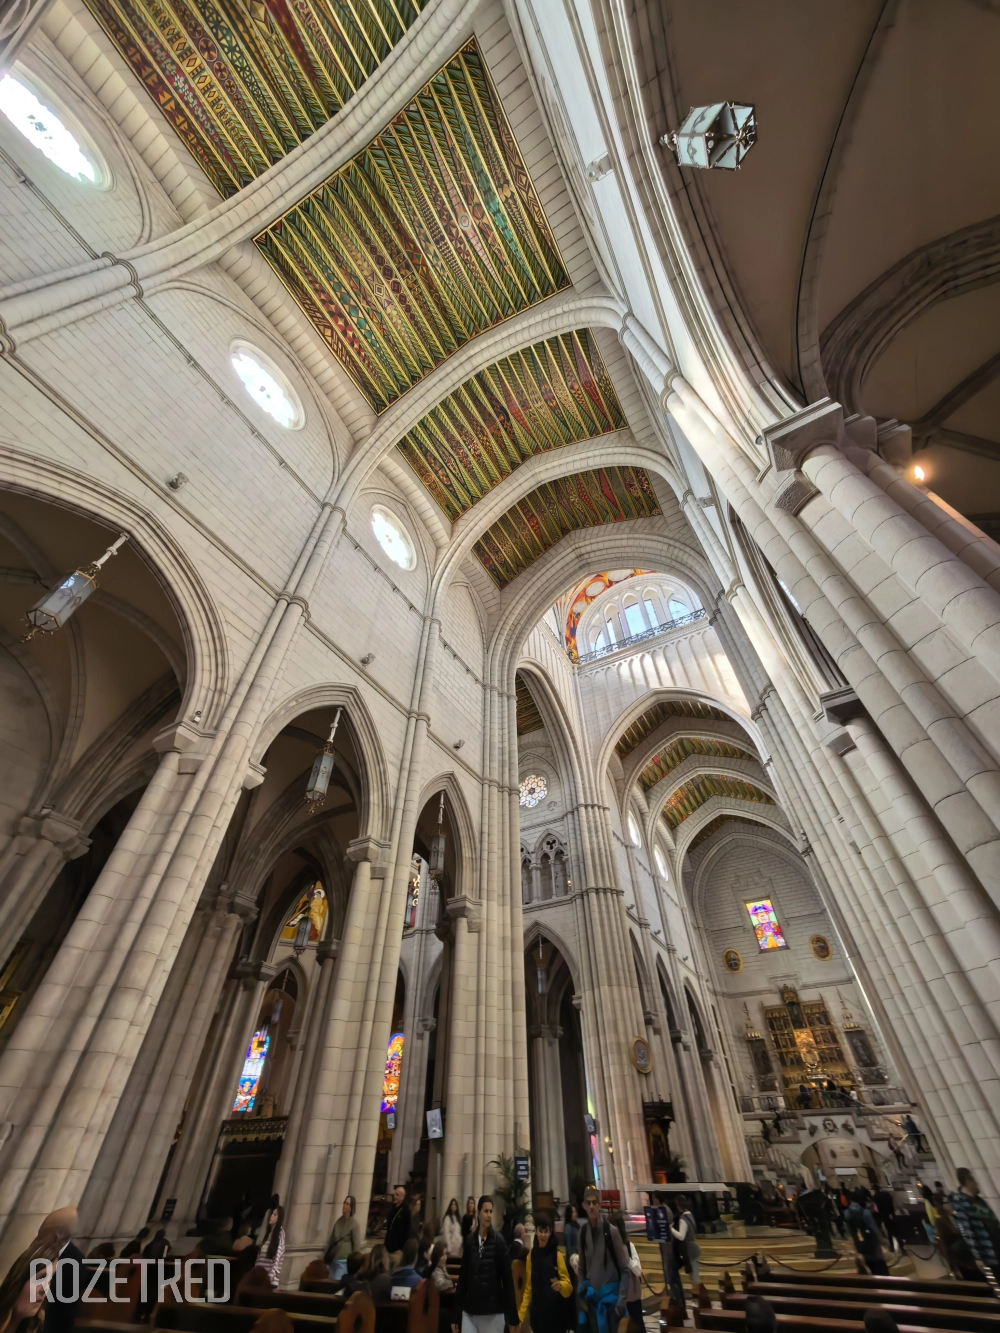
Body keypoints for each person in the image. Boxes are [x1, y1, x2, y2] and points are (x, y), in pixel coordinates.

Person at [452, 1195, 520, 1333]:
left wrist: (513, 1317)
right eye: (485, 1211)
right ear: (478, 1213)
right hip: (470, 1312)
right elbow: (463, 1279)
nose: (489, 1215)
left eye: (491, 1211)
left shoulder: (499, 1241)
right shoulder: (470, 1240)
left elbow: (508, 1280)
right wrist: (456, 1314)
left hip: (492, 1313)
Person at [577, 1185, 630, 1333]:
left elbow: (625, 1269)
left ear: (599, 1205)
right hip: (592, 1302)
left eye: (594, 1202)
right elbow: (581, 1267)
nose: (591, 1207)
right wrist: (582, 1291)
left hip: (612, 1304)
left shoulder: (611, 1231)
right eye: (588, 1203)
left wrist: (621, 1302)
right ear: (584, 1206)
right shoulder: (582, 1233)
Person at [517, 1213, 572, 1333]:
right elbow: (528, 1289)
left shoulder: (556, 1255)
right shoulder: (531, 1256)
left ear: (550, 1232)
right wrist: (520, 1316)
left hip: (556, 1317)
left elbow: (569, 1288)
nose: (543, 1235)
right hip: (538, 1318)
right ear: (536, 1231)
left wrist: (561, 1285)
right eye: (540, 1231)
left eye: (546, 1231)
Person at [950, 1168, 1000, 1276]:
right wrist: (978, 1257)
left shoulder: (978, 1200)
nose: (977, 1183)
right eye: (974, 1180)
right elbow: (968, 1232)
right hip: (989, 1251)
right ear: (968, 1181)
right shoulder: (962, 1203)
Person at [611, 1213, 644, 1328]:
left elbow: (638, 1271)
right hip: (615, 1297)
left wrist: (626, 1258)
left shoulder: (629, 1246)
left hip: (631, 1296)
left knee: (636, 1325)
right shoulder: (607, 1249)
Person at [845, 1191, 887, 1276]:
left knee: (863, 1260)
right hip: (871, 1240)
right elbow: (873, 1227)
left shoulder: (846, 1213)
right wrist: (881, 1238)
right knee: (877, 1261)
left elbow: (848, 1229)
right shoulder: (865, 1212)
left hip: (857, 1240)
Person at [325, 1196, 362, 1280]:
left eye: (347, 1204)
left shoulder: (354, 1224)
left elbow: (356, 1245)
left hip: (344, 1261)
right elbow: (331, 1240)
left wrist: (354, 1264)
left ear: (351, 1208)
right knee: (330, 1282)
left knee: (337, 1281)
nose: (344, 1205)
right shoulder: (338, 1221)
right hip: (333, 1259)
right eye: (344, 1203)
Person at [670, 1196, 701, 1287]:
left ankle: (697, 1293)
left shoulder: (683, 1219)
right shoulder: (690, 1215)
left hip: (689, 1249)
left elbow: (681, 1236)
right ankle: (697, 1292)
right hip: (694, 1246)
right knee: (695, 1272)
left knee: (694, 1275)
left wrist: (671, 1229)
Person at [257, 1206, 286, 1288]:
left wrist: (270, 1276)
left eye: (275, 1214)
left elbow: (277, 1256)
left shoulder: (280, 1233)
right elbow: (259, 1257)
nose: (271, 1216)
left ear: (279, 1219)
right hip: (260, 1276)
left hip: (269, 1279)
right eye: (272, 1213)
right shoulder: (268, 1233)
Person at [385, 1186, 412, 1257]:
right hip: (389, 1244)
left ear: (402, 1197)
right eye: (394, 1194)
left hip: (398, 1247)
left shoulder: (406, 1211)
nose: (394, 1196)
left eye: (397, 1195)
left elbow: (407, 1230)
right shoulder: (393, 1207)